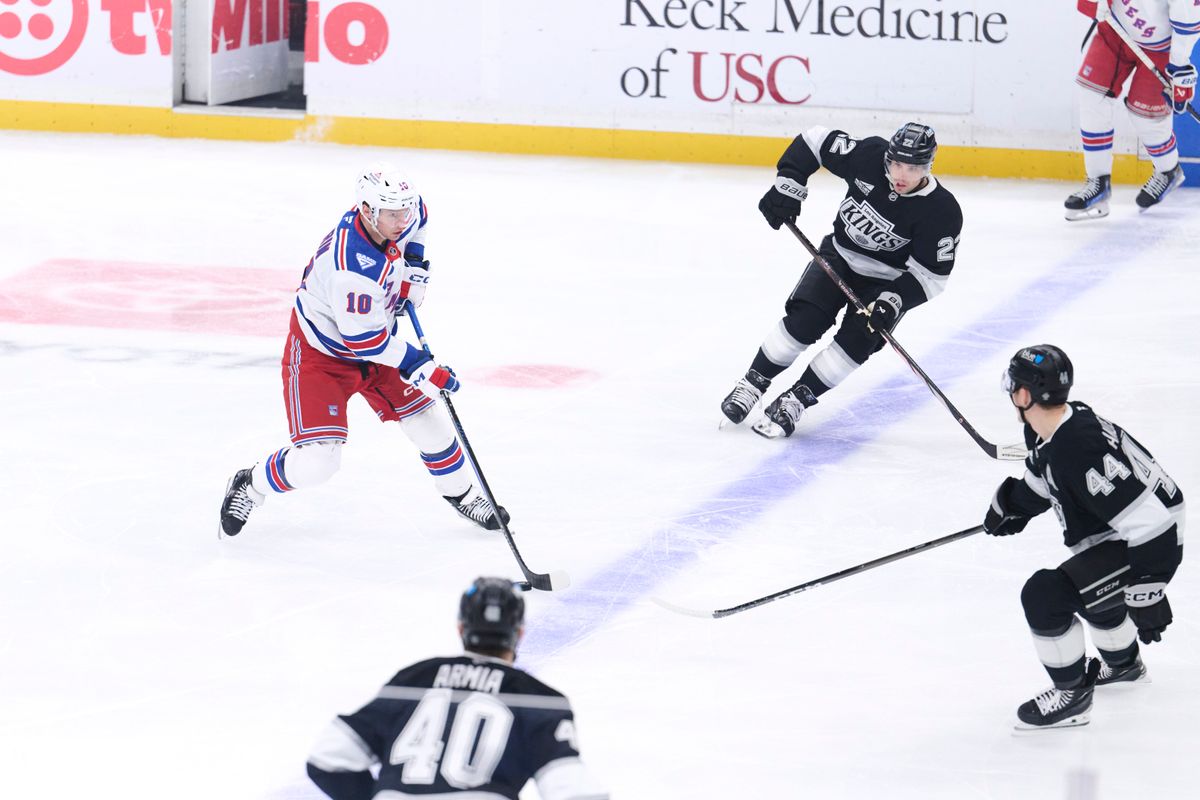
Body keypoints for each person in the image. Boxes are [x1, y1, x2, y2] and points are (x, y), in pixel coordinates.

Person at [219, 165, 508, 537]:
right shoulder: (350, 265)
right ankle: (251, 484)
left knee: (430, 425)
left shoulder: (398, 214)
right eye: (393, 214)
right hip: (323, 356)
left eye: (404, 210)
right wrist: (421, 366)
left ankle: (463, 495)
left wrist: (414, 267)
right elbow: (363, 342)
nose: (402, 220)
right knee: (319, 463)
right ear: (368, 211)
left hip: (376, 340)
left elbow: (421, 215)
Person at [982, 344, 1184, 729]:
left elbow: (1152, 525)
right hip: (1125, 534)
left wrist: (1148, 590)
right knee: (1089, 583)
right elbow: (1046, 473)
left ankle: (1072, 695)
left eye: (1013, 384)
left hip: (1151, 541)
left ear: (1024, 395)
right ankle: (1124, 667)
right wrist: (1014, 504)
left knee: (1046, 595)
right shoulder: (1055, 427)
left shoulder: (1077, 448)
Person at [720, 122, 963, 439]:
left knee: (854, 345)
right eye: (896, 164)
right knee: (804, 322)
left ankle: (795, 400)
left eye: (914, 167)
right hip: (838, 257)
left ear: (929, 165)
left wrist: (893, 302)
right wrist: (788, 184)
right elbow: (814, 140)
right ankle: (752, 383)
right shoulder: (868, 157)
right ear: (887, 157)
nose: (902, 174)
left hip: (886, 285)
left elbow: (931, 276)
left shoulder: (941, 211)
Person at [306, 577, 609, 800]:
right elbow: (574, 792)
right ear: (519, 633)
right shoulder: (539, 699)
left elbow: (328, 759)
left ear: (461, 628)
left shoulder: (413, 679)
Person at [1065, 0, 1198, 220]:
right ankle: (1098, 183)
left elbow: (1187, 27)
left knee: (1146, 119)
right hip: (1115, 30)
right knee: (1092, 96)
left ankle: (1168, 171)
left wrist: (1179, 67)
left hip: (1160, 49)